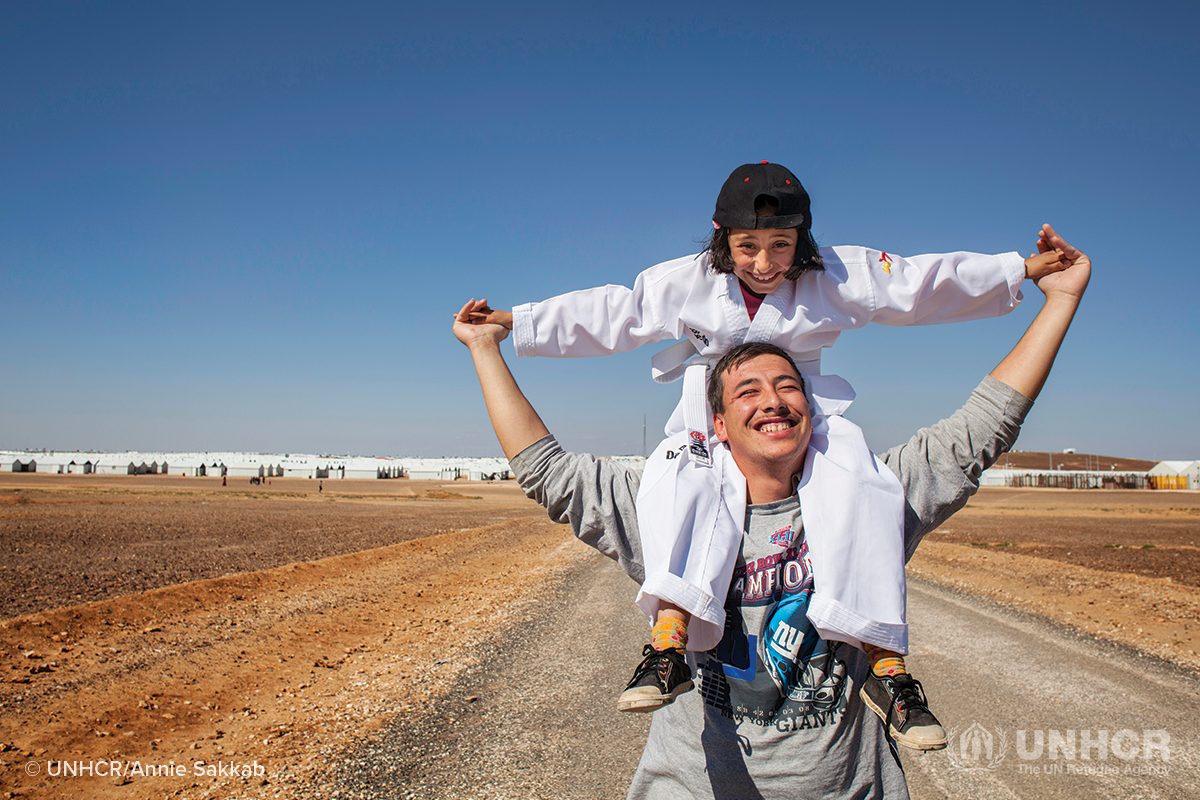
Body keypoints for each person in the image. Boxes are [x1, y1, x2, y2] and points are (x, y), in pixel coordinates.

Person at [452, 232, 1089, 798]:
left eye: (789, 386)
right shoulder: (668, 505)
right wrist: (488, 347)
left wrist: (1056, 299)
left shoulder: (871, 495)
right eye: (747, 390)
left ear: (814, 410)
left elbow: (981, 427)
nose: (774, 400)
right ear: (718, 424)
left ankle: (891, 677)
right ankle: (666, 652)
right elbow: (548, 470)